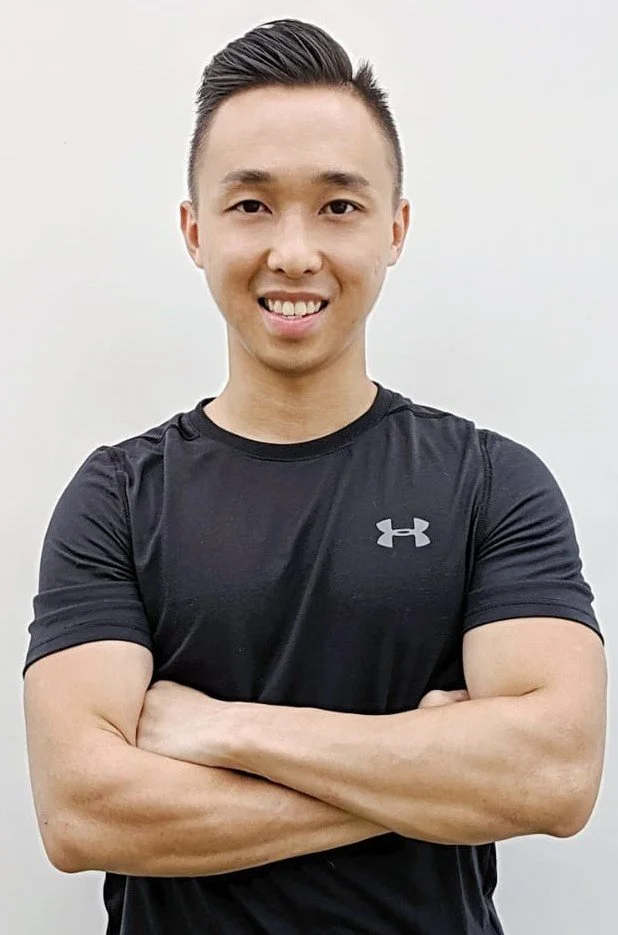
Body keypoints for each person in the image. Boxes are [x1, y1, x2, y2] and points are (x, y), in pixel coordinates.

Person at [23, 17, 607, 935]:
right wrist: (429, 775)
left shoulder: (492, 483)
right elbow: (83, 811)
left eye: (339, 206)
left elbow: (555, 778)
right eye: (251, 204)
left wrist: (225, 729)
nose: (294, 252)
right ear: (195, 229)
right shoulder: (116, 499)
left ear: (395, 228)